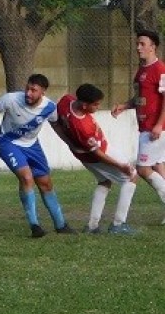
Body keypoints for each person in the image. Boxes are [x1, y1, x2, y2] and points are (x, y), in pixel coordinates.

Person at [0, 73, 74, 238]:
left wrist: (69, 142)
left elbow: (55, 124)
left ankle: (61, 225)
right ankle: (35, 226)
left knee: (45, 184)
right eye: (27, 88)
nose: (28, 93)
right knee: (27, 178)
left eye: (33, 90)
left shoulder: (50, 107)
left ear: (43, 92)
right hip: (8, 143)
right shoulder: (11, 99)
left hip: (32, 146)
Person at [56, 84, 137, 234]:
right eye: (96, 104)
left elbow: (54, 120)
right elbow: (99, 154)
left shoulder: (66, 101)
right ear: (84, 105)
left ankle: (92, 226)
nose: (98, 107)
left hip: (82, 154)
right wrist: (121, 166)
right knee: (131, 177)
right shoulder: (83, 127)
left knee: (104, 181)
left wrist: (68, 142)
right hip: (100, 154)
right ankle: (118, 225)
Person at [111, 29, 165, 222]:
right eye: (137, 43)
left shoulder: (160, 69)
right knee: (158, 167)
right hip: (146, 127)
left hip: (155, 129)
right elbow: (140, 99)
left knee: (143, 169)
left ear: (153, 47)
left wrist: (159, 124)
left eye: (142, 44)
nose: (138, 47)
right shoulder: (142, 70)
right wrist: (124, 106)